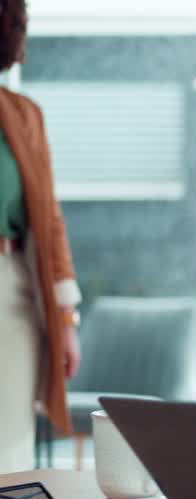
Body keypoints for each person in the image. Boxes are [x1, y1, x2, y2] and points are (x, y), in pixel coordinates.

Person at [0, 0, 82, 474]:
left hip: (10, 293)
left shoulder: (22, 115)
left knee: (8, 454)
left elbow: (49, 222)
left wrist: (66, 319)